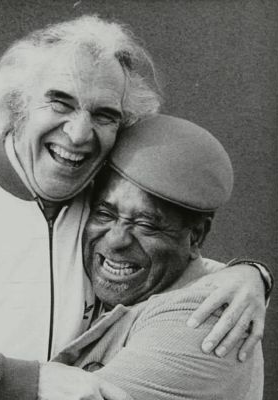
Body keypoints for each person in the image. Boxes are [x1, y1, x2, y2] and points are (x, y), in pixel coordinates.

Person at [0, 16, 271, 400]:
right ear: (17, 104)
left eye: (104, 115)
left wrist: (251, 275)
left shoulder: (96, 208)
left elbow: (175, 258)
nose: (79, 133)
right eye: (59, 103)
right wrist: (20, 381)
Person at [46, 115, 263, 400]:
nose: (116, 240)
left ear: (196, 236)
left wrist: (2, 375)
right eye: (105, 214)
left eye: (146, 225)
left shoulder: (208, 320)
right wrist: (255, 272)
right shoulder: (135, 282)